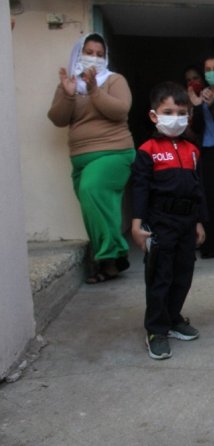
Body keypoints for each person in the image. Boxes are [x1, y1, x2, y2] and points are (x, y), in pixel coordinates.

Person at [47, 32, 135, 284]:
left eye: (100, 54)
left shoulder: (114, 80)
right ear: (79, 53)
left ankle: (109, 256)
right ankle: (110, 261)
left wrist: (95, 90)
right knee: (93, 209)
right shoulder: (70, 84)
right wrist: (68, 94)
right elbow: (58, 119)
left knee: (90, 190)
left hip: (114, 152)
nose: (94, 58)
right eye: (89, 52)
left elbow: (120, 110)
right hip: (79, 158)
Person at [131, 81, 207, 360]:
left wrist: (199, 221)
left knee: (183, 275)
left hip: (187, 222)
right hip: (160, 221)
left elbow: (198, 189)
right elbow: (140, 189)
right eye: (168, 111)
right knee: (160, 276)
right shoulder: (147, 149)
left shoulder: (193, 150)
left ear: (188, 116)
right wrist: (137, 224)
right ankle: (156, 329)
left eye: (181, 112)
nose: (175, 118)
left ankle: (174, 318)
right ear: (154, 115)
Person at [190, 55, 214, 259]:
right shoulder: (202, 94)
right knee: (207, 198)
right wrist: (196, 104)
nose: (212, 72)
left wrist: (212, 105)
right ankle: (209, 245)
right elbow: (196, 129)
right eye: (208, 68)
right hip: (206, 151)